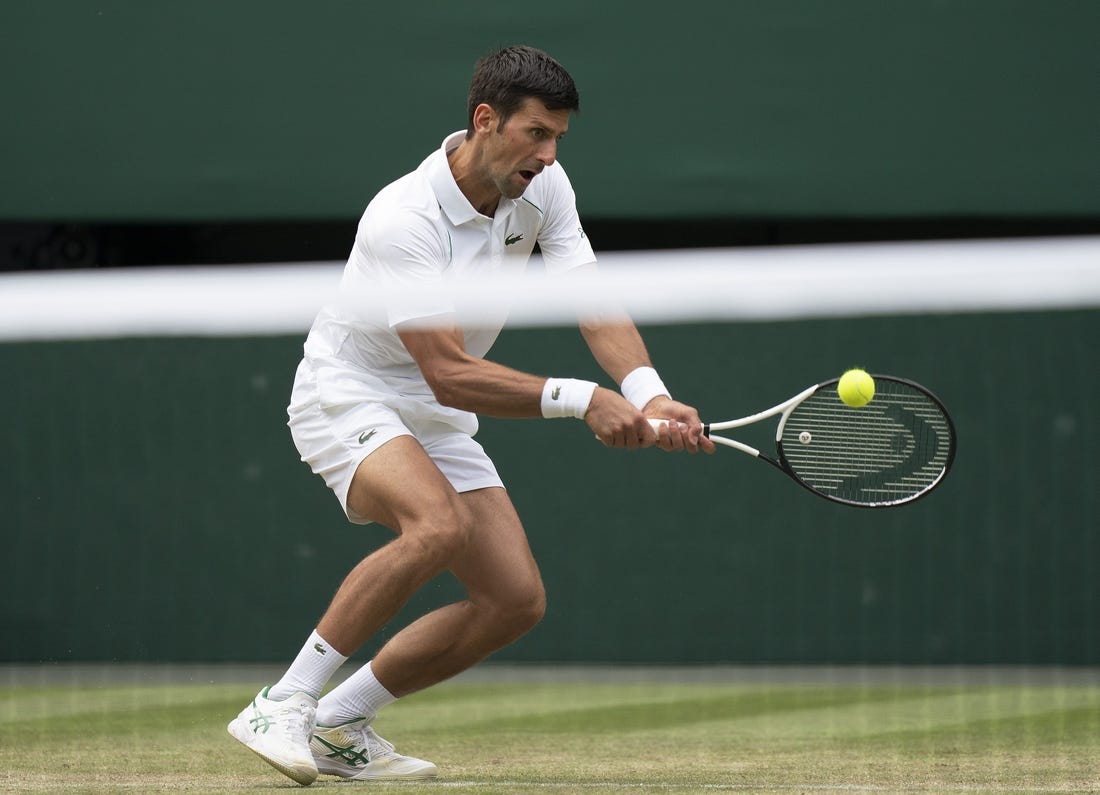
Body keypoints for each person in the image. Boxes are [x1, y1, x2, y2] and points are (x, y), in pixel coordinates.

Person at [227, 44, 715, 786]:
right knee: (439, 524)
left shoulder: (543, 188)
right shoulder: (403, 219)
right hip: (349, 389)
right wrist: (584, 399)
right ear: (485, 120)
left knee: (514, 599)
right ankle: (284, 700)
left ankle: (339, 721)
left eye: (558, 139)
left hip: (433, 407)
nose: (549, 156)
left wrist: (648, 392)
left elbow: (589, 297)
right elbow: (449, 372)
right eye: (536, 135)